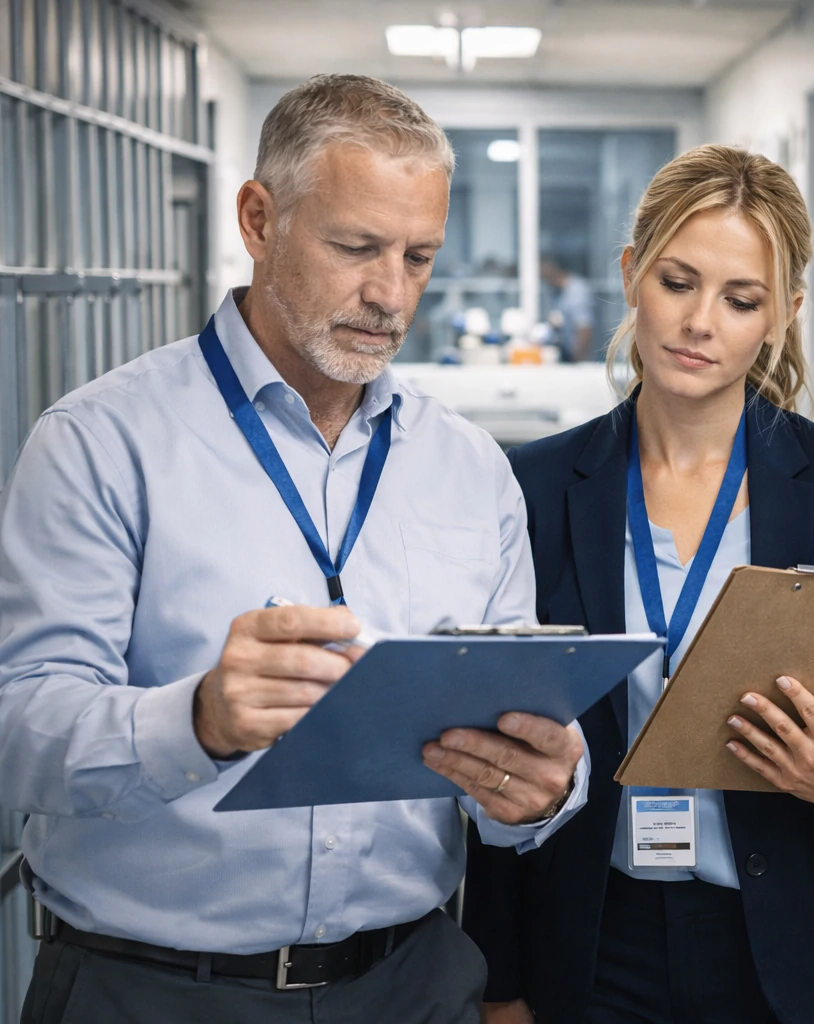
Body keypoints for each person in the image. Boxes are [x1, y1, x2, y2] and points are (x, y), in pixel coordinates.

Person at [0, 75, 590, 1024]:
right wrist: (195, 720)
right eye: (355, 247)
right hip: (148, 990)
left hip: (416, 983)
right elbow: (16, 731)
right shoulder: (100, 442)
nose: (389, 294)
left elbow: (514, 708)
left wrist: (545, 786)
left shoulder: (471, 467)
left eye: (420, 257)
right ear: (258, 217)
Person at [463, 145, 814, 1024]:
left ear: (785, 314)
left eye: (741, 300)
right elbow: (499, 739)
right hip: (590, 936)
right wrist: (501, 983)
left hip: (798, 937)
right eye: (678, 282)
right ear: (630, 275)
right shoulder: (534, 487)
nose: (700, 323)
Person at [541, 256, 597, 361]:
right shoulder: (555, 291)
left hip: (578, 361)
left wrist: (575, 361)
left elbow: (585, 329)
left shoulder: (577, 291)